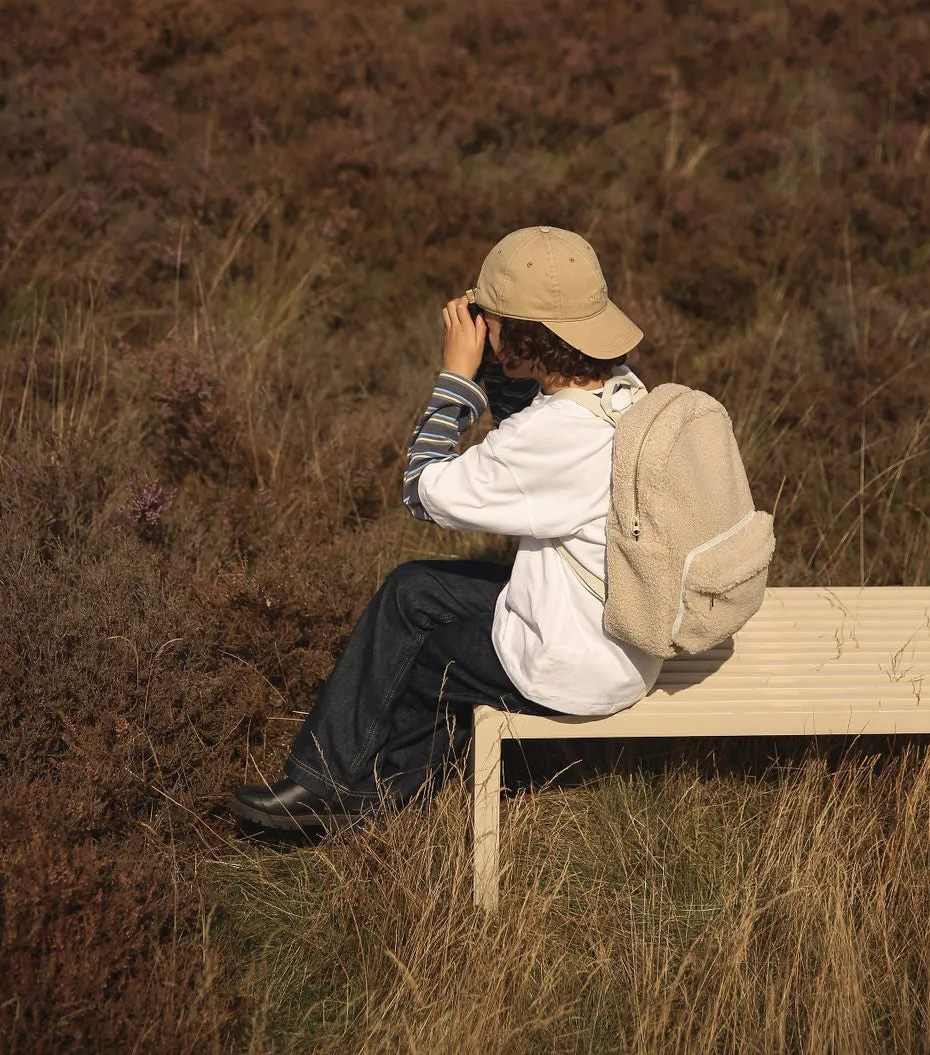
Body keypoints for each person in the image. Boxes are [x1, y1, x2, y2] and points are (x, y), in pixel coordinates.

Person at [229, 226, 663, 836]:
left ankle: (353, 804)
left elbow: (422, 490)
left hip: (578, 666)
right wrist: (508, 364)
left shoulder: (557, 436)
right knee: (414, 590)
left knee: (423, 655)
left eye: (494, 319)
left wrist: (457, 378)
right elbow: (530, 447)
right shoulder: (621, 390)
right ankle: (329, 783)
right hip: (621, 634)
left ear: (524, 332)